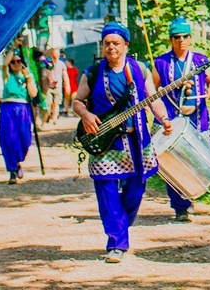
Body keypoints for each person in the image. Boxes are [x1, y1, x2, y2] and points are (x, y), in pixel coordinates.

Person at [72, 21, 173, 263]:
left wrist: (165, 118)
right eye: (107, 43)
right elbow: (77, 101)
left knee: (136, 190)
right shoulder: (92, 73)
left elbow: (152, 98)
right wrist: (85, 115)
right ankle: (116, 243)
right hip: (105, 143)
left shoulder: (141, 70)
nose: (111, 48)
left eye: (116, 43)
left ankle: (120, 229)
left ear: (126, 45)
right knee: (107, 191)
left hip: (137, 140)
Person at [153, 16, 210, 222]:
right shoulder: (161, 63)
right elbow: (152, 88)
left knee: (194, 160)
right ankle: (180, 207)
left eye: (184, 36)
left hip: (197, 117)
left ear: (190, 38)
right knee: (174, 161)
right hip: (172, 117)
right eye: (176, 37)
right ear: (171, 40)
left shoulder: (200, 60)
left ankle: (192, 195)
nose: (181, 40)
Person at [0, 54, 38, 184]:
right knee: (9, 139)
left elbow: (33, 93)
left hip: (23, 109)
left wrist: (28, 78)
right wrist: (14, 45)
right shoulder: (7, 75)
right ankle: (12, 170)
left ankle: (18, 162)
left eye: (18, 61)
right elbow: (5, 64)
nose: (15, 63)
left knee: (25, 139)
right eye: (13, 61)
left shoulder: (27, 76)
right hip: (8, 108)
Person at [41, 47, 68, 124]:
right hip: (49, 87)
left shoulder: (62, 64)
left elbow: (65, 75)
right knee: (48, 104)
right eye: (54, 53)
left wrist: (66, 84)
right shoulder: (47, 62)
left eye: (57, 53)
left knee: (56, 103)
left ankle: (54, 119)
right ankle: (47, 118)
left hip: (58, 86)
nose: (56, 55)